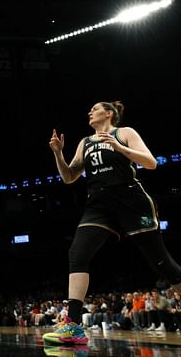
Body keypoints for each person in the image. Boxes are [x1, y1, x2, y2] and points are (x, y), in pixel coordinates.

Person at [43, 101, 181, 345]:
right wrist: (57, 153)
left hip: (130, 200)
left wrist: (118, 147)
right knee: (77, 253)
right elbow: (69, 177)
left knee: (163, 264)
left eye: (94, 109)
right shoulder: (85, 142)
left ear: (108, 113)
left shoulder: (124, 133)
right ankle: (73, 327)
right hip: (98, 204)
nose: (89, 112)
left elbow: (151, 162)